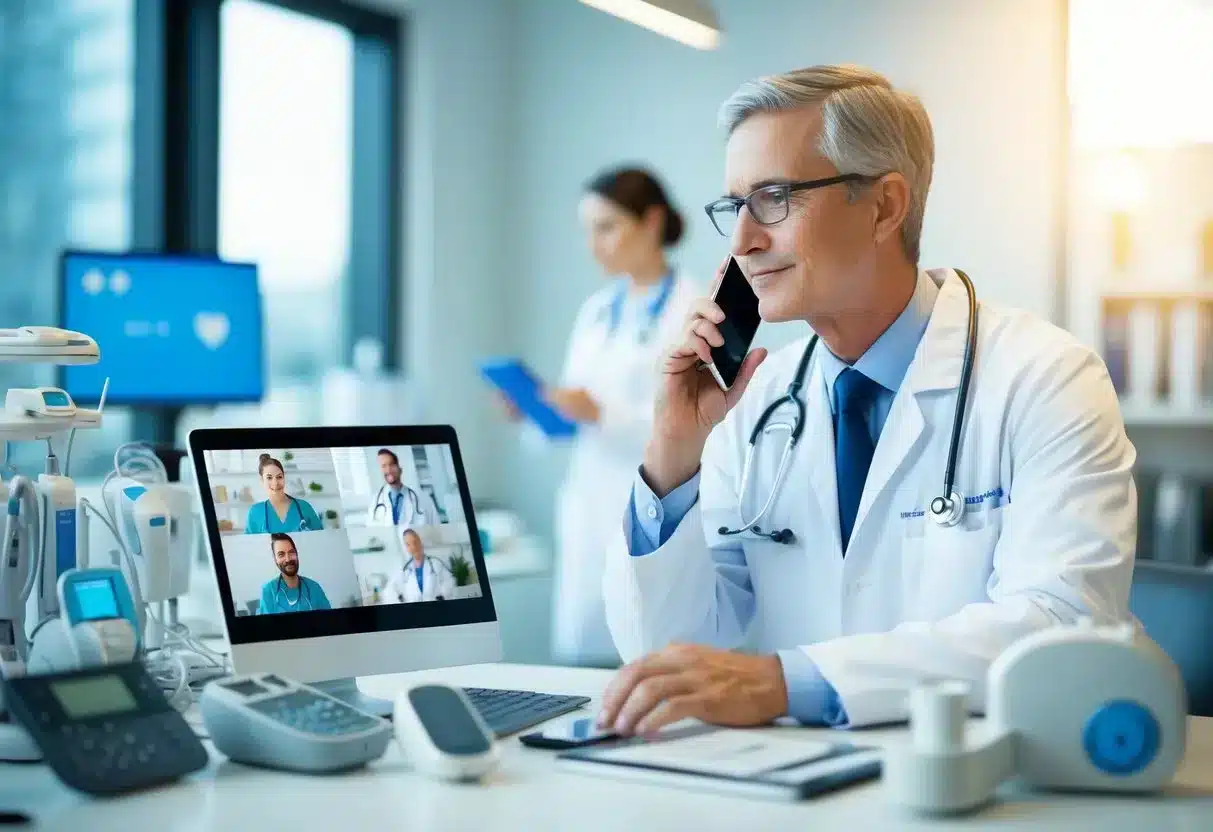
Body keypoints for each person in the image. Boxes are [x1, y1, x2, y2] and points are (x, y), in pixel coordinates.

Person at [596, 65, 1137, 737]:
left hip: (969, 775)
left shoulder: (1045, 378)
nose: (742, 241)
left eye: (773, 198)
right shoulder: (751, 402)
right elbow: (662, 654)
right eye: (735, 206)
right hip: (787, 776)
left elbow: (1060, 625)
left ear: (884, 207)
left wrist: (784, 684)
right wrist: (672, 453)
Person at [498, 166, 702, 668]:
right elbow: (574, 417)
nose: (594, 245)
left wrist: (603, 413)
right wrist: (535, 409)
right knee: (586, 665)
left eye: (607, 227)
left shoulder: (692, 309)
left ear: (652, 221)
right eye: (588, 230)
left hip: (653, 506)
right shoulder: (596, 311)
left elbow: (698, 421)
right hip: (590, 506)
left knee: (653, 657)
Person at [245, 453, 323, 534]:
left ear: (284, 478)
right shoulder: (255, 512)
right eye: (269, 478)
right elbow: (248, 541)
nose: (275, 483)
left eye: (279, 477)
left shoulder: (304, 507)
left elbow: (321, 538)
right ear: (262, 480)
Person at [368, 448, 444, 528]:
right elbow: (371, 533)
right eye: (384, 466)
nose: (388, 470)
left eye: (392, 464)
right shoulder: (375, 502)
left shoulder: (423, 499)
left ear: (400, 469)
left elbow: (437, 531)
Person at [258, 533, 332, 614]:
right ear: (275, 559)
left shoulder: (314, 588)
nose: (288, 559)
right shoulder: (268, 591)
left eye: (291, 552)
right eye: (281, 554)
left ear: (296, 554)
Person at [382, 529, 456, 603]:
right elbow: (388, 590)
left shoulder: (436, 564)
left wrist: (442, 596)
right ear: (406, 548)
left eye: (415, 542)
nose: (413, 547)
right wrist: (399, 599)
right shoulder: (404, 569)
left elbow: (450, 582)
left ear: (420, 542)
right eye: (408, 544)